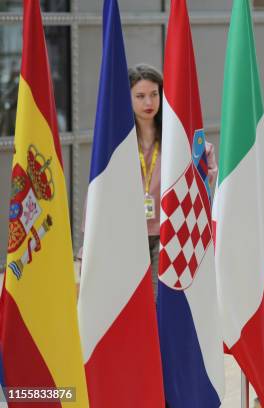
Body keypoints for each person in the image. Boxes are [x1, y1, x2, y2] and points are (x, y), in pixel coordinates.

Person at [78, 64, 218, 300]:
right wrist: (87, 246)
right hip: (127, 232)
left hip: (168, 231)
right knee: (129, 301)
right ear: (129, 99)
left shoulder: (174, 135)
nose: (148, 102)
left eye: (154, 94)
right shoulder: (117, 141)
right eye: (140, 96)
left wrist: (202, 162)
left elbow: (204, 166)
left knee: (158, 301)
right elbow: (98, 190)